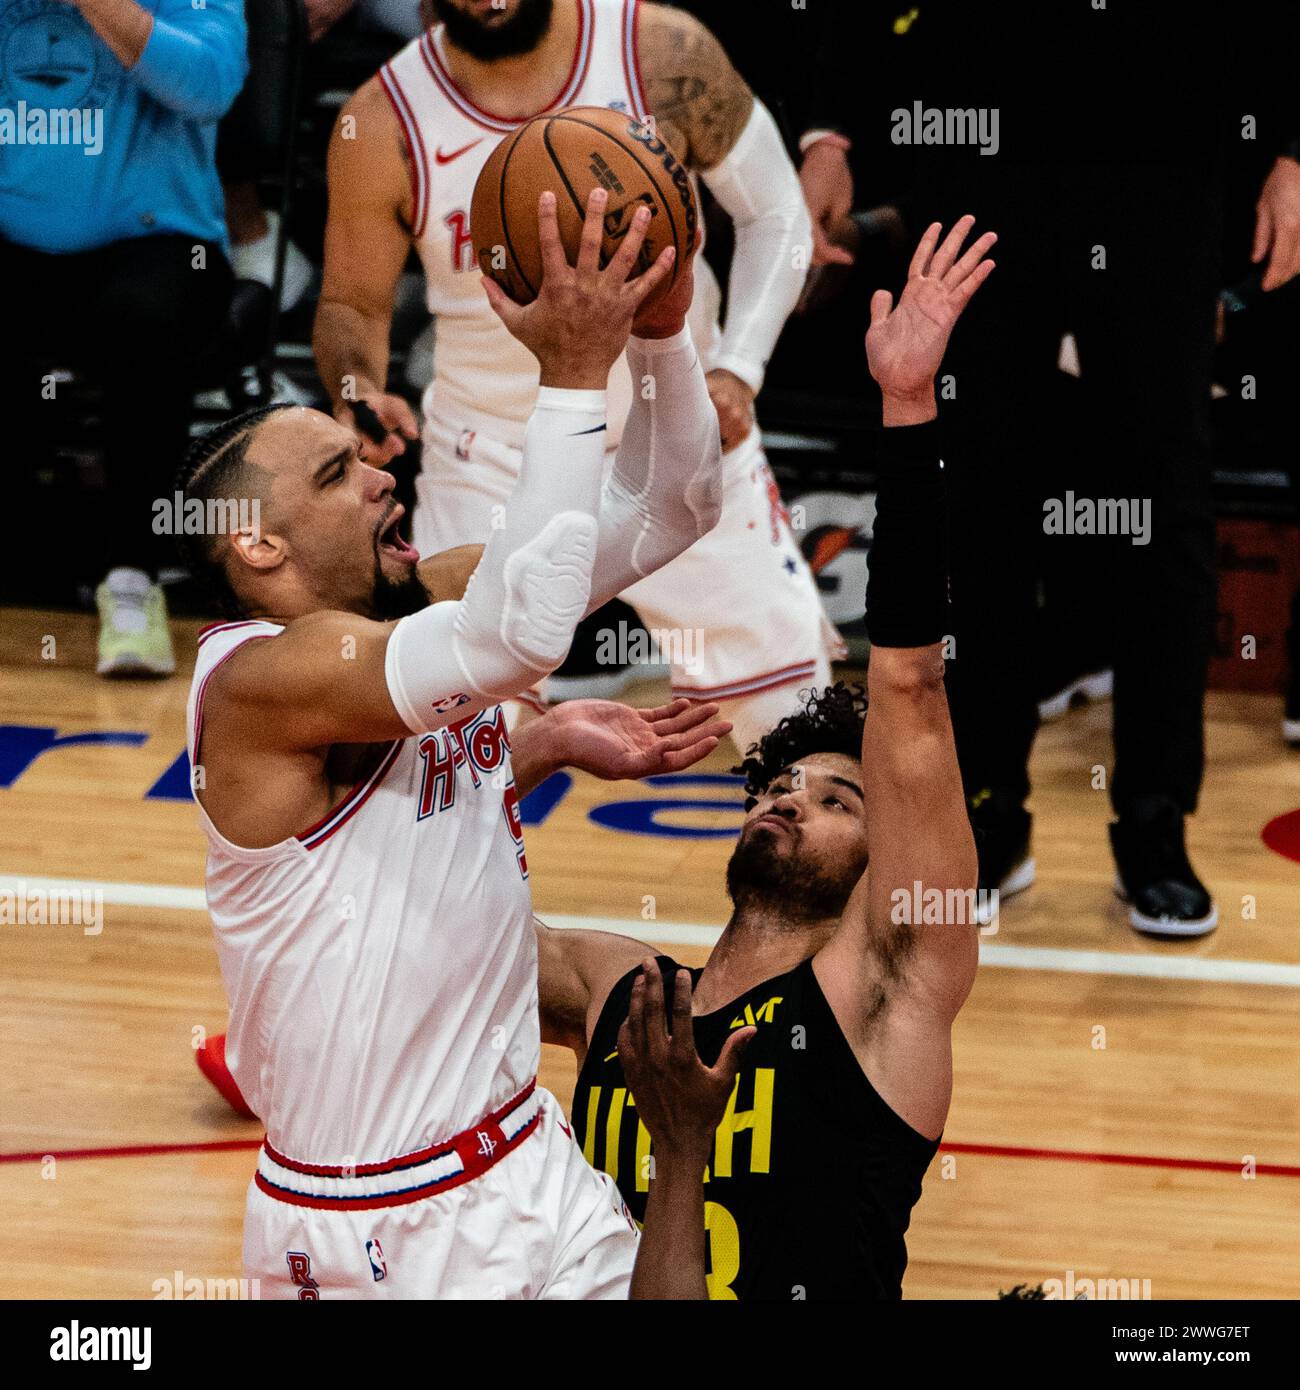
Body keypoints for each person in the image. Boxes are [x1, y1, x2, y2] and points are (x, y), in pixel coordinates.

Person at [180, 192, 724, 1298]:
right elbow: (516, 636)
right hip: (381, 1225)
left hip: (529, 1158)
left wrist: (662, 331)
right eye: (336, 475)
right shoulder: (258, 681)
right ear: (260, 546)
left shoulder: (415, 608)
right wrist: (573, 371)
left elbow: (675, 505)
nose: (382, 474)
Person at [534, 218, 996, 1299]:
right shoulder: (617, 990)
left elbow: (910, 691)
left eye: (839, 799)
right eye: (784, 783)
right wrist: (527, 744)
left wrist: (907, 409)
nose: (791, 797)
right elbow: (435, 919)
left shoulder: (879, 991)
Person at [313, 0, 842, 753]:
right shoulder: (382, 120)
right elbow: (350, 304)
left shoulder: (659, 50)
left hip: (679, 436)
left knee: (801, 739)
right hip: (490, 457)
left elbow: (778, 215)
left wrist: (738, 370)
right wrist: (357, 386)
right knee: (447, 752)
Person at [906, 0, 1300, 936]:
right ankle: (987, 811)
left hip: (1159, 152)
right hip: (983, 142)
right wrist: (835, 130)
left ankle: (1156, 825)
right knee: (981, 502)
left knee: (1165, 507)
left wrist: (1291, 149)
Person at [0, 0, 246, 674]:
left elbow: (209, 89)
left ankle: (132, 577)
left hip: (160, 242)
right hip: (15, 245)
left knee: (143, 319)